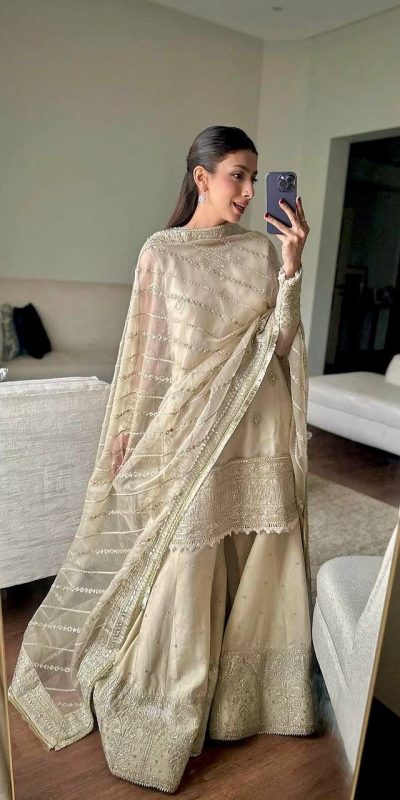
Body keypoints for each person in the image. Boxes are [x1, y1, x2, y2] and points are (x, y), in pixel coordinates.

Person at [9, 125, 316, 794]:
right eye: (237, 175)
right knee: (189, 548)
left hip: (257, 421)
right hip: (195, 425)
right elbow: (144, 354)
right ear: (201, 178)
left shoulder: (261, 250)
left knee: (261, 549)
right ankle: (171, 693)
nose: (248, 190)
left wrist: (291, 265)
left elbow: (280, 341)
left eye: (254, 177)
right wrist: (128, 429)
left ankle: (250, 698)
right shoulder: (161, 252)